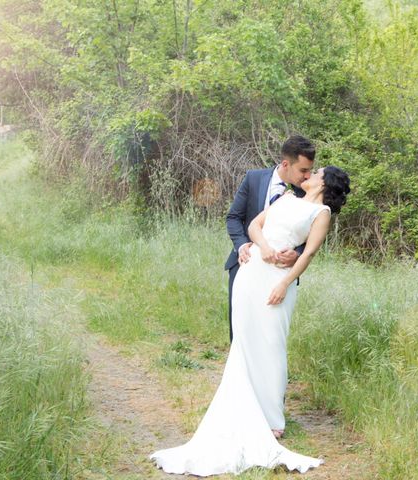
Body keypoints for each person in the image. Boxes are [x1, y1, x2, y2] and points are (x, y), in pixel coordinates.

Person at [150, 166, 351, 477]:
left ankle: (272, 420)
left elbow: (309, 253)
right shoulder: (285, 197)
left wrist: (285, 283)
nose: (311, 172)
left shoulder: (321, 212)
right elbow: (256, 225)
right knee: (245, 342)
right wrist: (265, 249)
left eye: (318, 171)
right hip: (253, 270)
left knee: (272, 342)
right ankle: (247, 409)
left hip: (278, 280)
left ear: (325, 183)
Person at [224, 135, 316, 343]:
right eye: (303, 170)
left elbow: (311, 237)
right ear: (286, 164)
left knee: (270, 335)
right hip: (244, 265)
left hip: (279, 274)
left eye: (310, 170)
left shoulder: (308, 194)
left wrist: (298, 254)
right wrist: (241, 246)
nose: (308, 176)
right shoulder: (254, 178)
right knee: (240, 330)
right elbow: (234, 217)